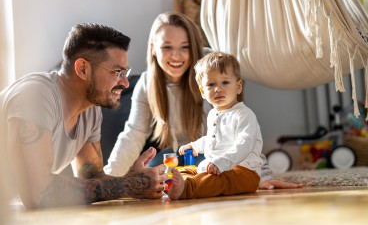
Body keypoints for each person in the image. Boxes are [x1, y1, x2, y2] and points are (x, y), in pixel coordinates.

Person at [104, 11, 302, 190]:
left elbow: (242, 130)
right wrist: (110, 177)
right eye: (167, 47)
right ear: (153, 48)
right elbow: (134, 133)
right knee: (151, 175)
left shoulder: (210, 75)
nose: (176, 56)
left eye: (185, 47)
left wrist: (261, 175)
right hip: (176, 152)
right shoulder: (148, 82)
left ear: (195, 47)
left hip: (214, 154)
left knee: (208, 175)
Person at [0, 23, 168, 209]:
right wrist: (129, 185)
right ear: (82, 69)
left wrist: (138, 182)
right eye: (117, 72)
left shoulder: (90, 108)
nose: (125, 83)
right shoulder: (35, 95)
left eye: (125, 73)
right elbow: (38, 194)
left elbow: (92, 178)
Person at [168, 51, 262, 199]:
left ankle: (187, 189)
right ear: (203, 92)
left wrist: (223, 162)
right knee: (186, 170)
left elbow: (245, 144)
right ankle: (180, 184)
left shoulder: (244, 114)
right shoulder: (213, 114)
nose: (218, 89)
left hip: (243, 172)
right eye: (211, 84)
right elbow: (212, 139)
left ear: (238, 86)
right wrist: (195, 146)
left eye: (225, 82)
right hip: (217, 167)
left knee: (217, 180)